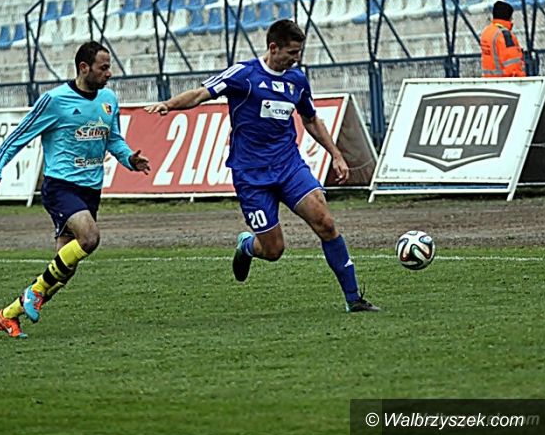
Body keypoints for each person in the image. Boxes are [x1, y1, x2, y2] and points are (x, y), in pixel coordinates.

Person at [145, 19, 379, 313]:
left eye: (299, 52)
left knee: (326, 223)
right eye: (292, 52)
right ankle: (247, 246)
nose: (296, 59)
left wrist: (336, 154)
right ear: (273, 47)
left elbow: (310, 119)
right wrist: (169, 104)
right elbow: (201, 93)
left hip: (289, 166)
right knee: (273, 250)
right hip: (251, 176)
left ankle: (353, 299)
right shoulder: (244, 75)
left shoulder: (297, 81)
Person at [0, 41, 151, 338]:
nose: (109, 73)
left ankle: (8, 314)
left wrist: (129, 158)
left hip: (90, 190)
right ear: (84, 68)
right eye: (103, 68)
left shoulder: (109, 99)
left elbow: (113, 138)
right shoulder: (55, 100)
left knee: (64, 268)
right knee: (90, 237)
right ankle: (34, 293)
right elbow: (20, 134)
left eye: (109, 67)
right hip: (60, 186)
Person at [480, 1, 526, 78]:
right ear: (509, 17)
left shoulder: (487, 32)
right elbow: (512, 64)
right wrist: (520, 79)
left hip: (488, 81)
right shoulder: (504, 34)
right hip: (504, 81)